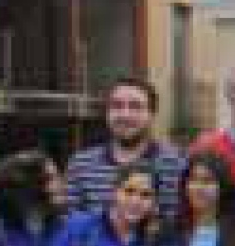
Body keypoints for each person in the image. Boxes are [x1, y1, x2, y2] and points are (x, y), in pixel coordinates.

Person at [64, 77, 187, 212]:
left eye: (136, 107)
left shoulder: (177, 164)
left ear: (151, 114)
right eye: (117, 106)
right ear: (107, 113)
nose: (125, 115)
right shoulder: (81, 165)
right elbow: (69, 219)